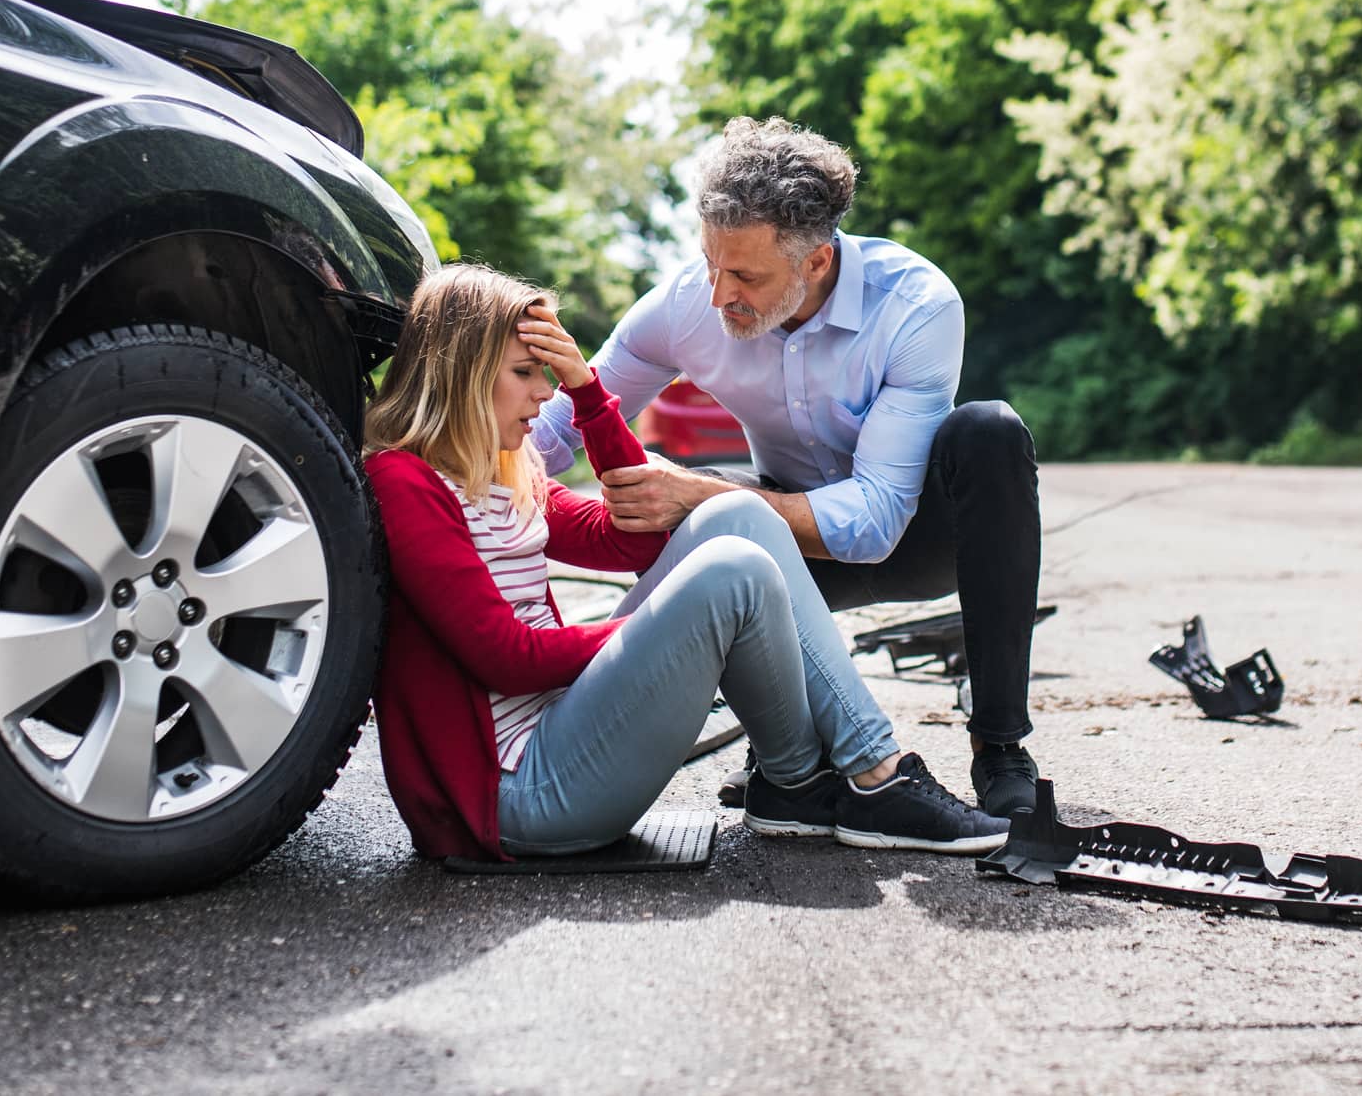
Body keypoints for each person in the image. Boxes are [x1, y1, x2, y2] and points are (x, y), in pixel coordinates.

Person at [364, 262, 1008, 861]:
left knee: (738, 516)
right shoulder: (405, 481)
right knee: (732, 572)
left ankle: (797, 786)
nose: (544, 395)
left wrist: (590, 394)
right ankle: (874, 774)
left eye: (549, 374)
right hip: (514, 796)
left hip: (561, 732)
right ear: (462, 373)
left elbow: (636, 539)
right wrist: (667, 632)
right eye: (524, 373)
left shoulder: (506, 475)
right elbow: (501, 656)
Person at [529, 117, 1047, 820]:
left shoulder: (917, 304)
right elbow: (558, 423)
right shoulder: (687, 303)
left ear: (817, 262)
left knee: (990, 431)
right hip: (787, 543)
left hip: (916, 535)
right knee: (692, 513)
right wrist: (455, 473)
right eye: (712, 264)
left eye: (744, 275)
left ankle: (1000, 743)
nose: (719, 294)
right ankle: (786, 752)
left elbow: (873, 525)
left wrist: (701, 494)